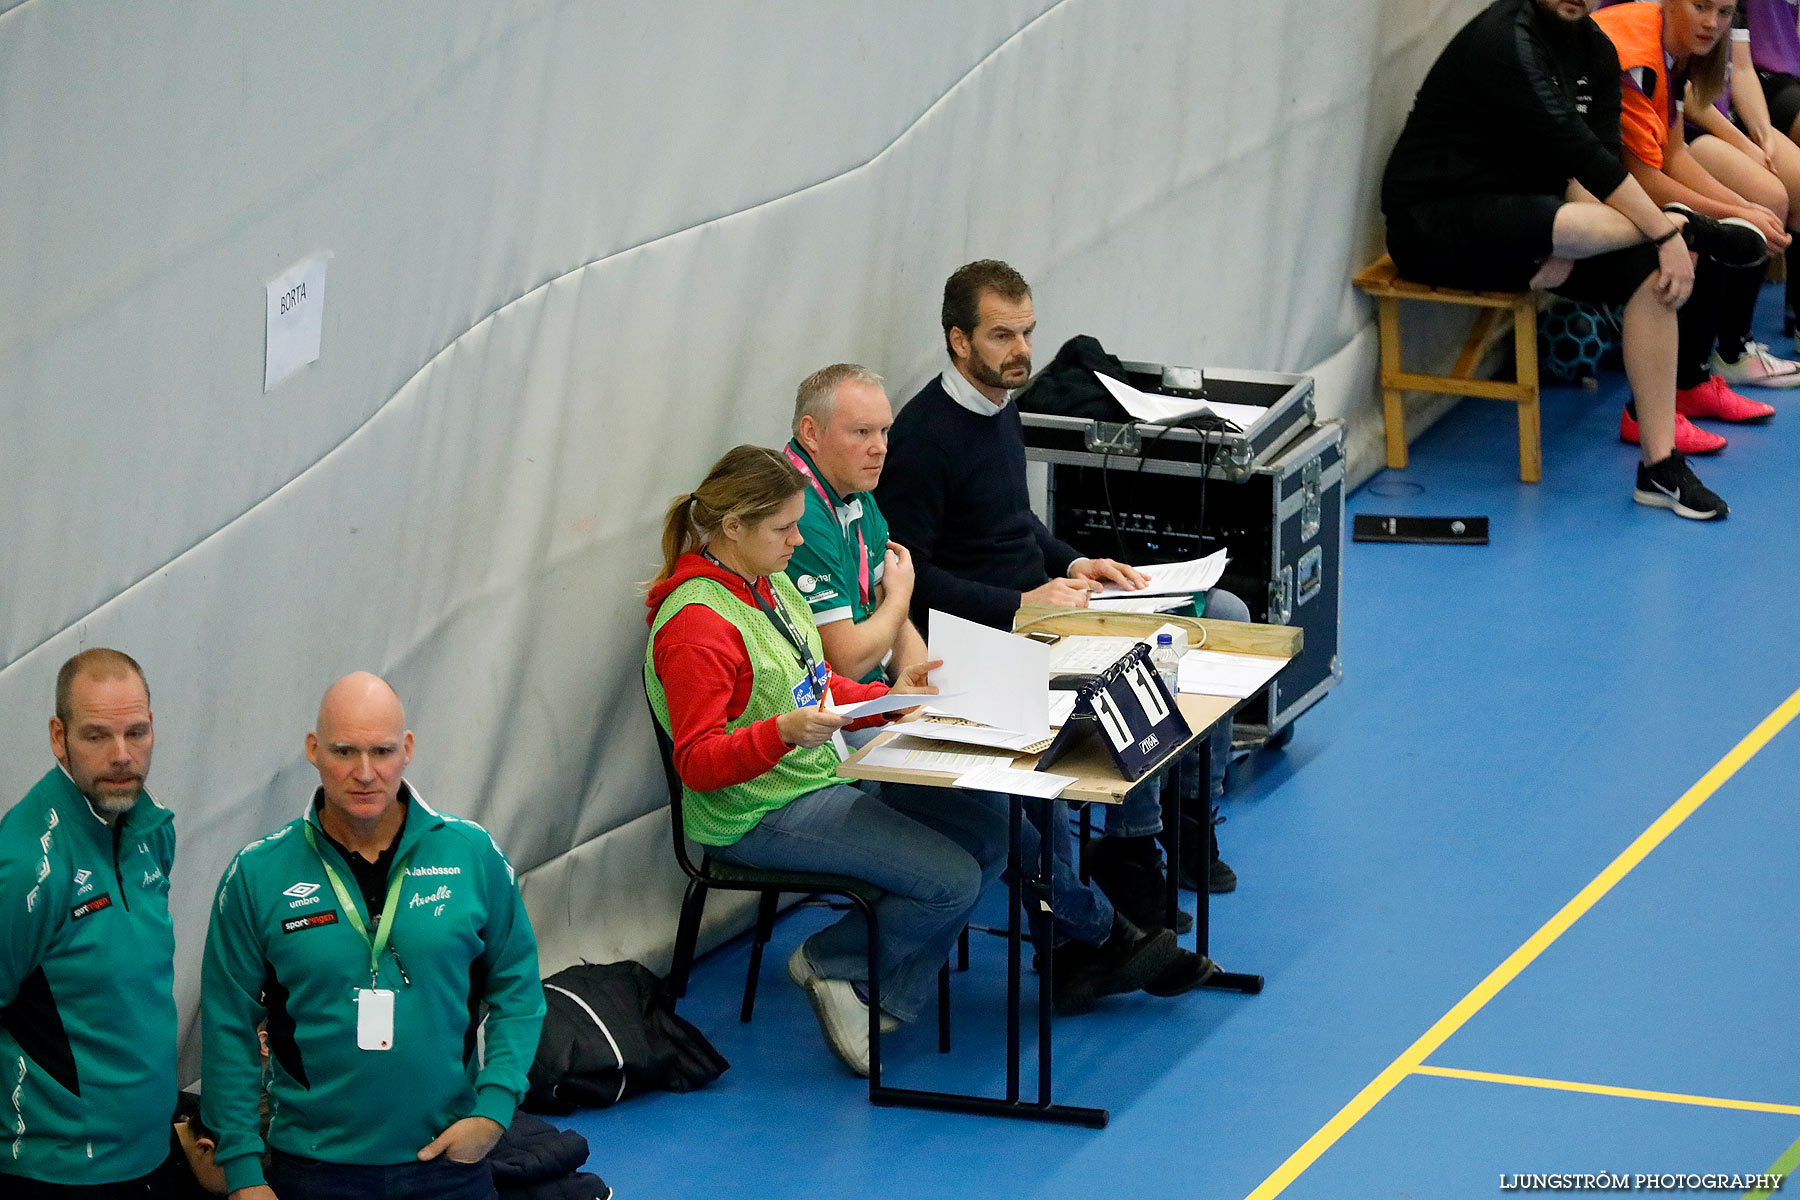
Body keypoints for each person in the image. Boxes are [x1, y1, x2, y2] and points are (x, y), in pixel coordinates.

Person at [780, 365, 1190, 1013]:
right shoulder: (798, 516)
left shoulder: (857, 496)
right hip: (837, 736)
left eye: (884, 431)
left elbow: (894, 630)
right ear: (811, 431)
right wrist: (903, 610)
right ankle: (1098, 935)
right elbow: (851, 649)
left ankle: (1087, 941)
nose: (880, 447)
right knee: (1013, 809)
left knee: (1045, 759)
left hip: (883, 701)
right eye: (862, 432)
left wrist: (919, 677)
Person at [876, 259, 1247, 915]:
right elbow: (914, 582)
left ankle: (1192, 817)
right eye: (1001, 336)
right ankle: (1132, 850)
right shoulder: (923, 440)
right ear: (959, 341)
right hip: (988, 634)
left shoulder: (999, 407)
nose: (1020, 352)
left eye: (1026, 333)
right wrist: (1023, 602)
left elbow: (1016, 520)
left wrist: (1077, 563)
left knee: (1223, 617)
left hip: (1047, 602)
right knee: (1141, 659)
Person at [646, 445, 1009, 1074]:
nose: (797, 540)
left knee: (991, 836)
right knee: (951, 881)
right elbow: (698, 765)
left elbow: (816, 684)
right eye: (784, 528)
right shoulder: (697, 625)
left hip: (815, 779)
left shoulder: (770, 584)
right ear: (733, 528)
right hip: (755, 811)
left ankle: (882, 997)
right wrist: (781, 733)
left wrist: (894, 701)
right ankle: (827, 963)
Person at [1381, 0, 1734, 519]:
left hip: (1538, 220)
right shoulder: (1505, 38)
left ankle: (1660, 466)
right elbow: (1576, 150)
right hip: (1436, 219)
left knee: (1646, 269)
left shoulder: (1594, 49)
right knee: (1609, 234)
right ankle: (1683, 223)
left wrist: (1589, 249)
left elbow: (1598, 165)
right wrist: (1663, 231)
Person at [201, 672, 544, 1200]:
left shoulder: (471, 855)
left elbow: (518, 987)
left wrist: (495, 1110)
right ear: (313, 751)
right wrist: (244, 1173)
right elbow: (227, 1027)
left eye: (381, 752)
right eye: (344, 752)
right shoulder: (256, 875)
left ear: (406, 750)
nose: (365, 773)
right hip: (313, 1170)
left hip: (448, 1161)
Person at [0, 649, 176, 1198]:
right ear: (60, 738)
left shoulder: (152, 829)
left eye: (137, 732)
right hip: (58, 1173)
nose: (123, 755)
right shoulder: (29, 863)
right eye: (97, 736)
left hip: (151, 1156)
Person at [1591, 0, 1785, 430]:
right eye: (1700, 7)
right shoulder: (1638, 54)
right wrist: (1734, 212)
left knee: (1730, 222)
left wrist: (1746, 210)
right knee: (1697, 233)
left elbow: (1673, 155)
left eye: (1723, 13)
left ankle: (1693, 384)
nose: (1712, 24)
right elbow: (1644, 179)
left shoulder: (1675, 53)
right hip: (1578, 188)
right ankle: (1648, 414)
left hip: (1612, 180)